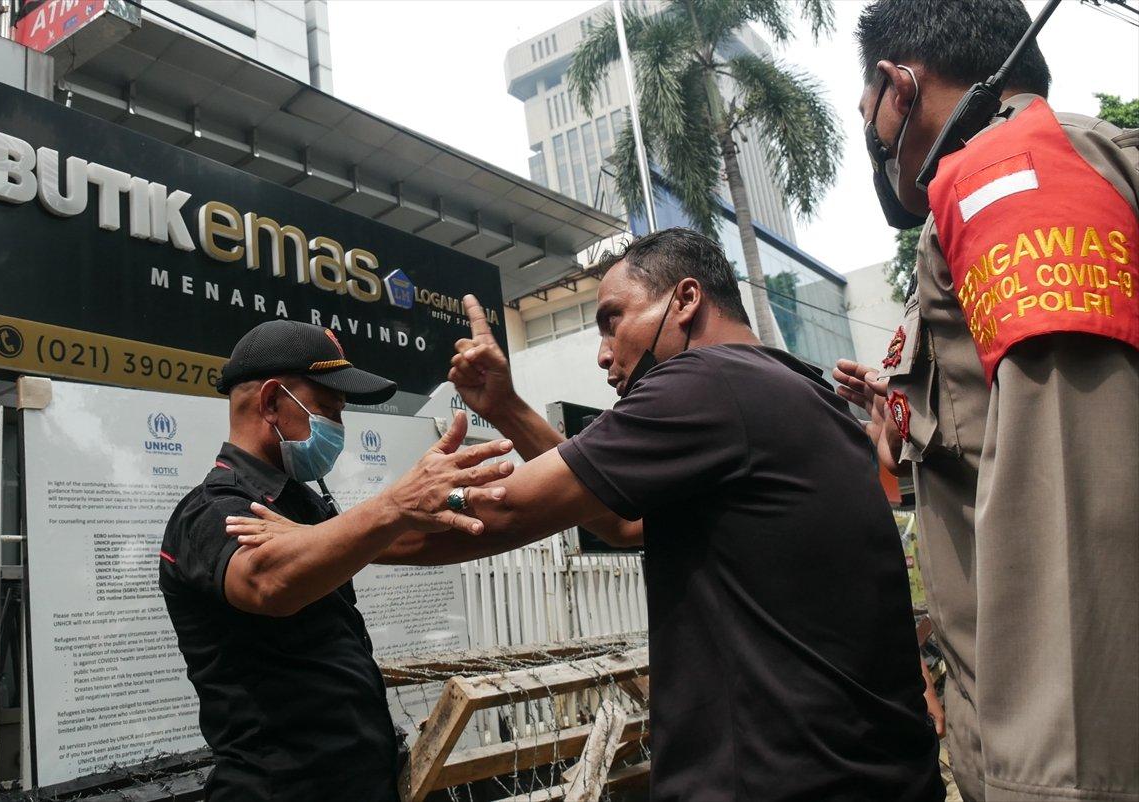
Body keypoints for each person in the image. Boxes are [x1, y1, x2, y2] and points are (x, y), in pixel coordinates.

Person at [231, 229, 946, 802]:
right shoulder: (798, 389)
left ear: (686, 299)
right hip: (877, 770)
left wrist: (323, 540)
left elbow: (501, 514)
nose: (605, 354)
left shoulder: (704, 382)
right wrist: (509, 410)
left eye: (614, 321)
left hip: (776, 778)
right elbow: (623, 522)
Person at [833, 2, 1139, 800]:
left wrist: (1049, 785)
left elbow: (1072, 502)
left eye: (867, 112)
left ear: (896, 83)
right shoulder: (988, 189)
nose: (871, 138)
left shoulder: (1010, 174)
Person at [160, 319, 528, 801]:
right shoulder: (210, 510)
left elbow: (411, 542)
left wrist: (513, 506)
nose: (338, 428)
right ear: (272, 402)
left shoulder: (303, 506)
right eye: (328, 410)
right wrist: (396, 505)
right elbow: (268, 581)